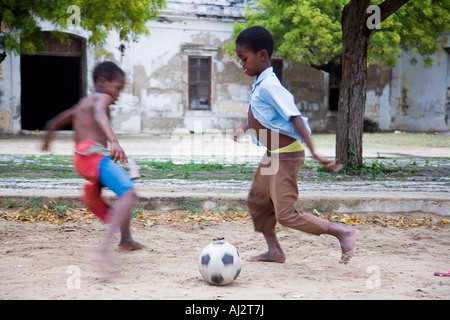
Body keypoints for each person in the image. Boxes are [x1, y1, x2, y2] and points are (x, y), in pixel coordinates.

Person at [230, 26, 357, 265]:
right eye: (239, 59)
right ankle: (274, 251)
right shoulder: (260, 82)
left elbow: (295, 117)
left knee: (286, 214)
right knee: (257, 201)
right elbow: (260, 114)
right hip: (272, 155)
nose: (241, 63)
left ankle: (343, 233)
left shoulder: (270, 86)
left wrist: (314, 152)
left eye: (244, 58)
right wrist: (244, 128)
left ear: (263, 55)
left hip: (286, 157)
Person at [42, 61, 145, 275]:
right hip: (94, 155)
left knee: (123, 191)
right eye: (118, 88)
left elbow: (55, 121)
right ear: (102, 82)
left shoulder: (82, 103)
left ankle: (126, 240)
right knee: (128, 193)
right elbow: (99, 114)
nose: (117, 95)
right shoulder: (101, 98)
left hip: (80, 157)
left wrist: (47, 140)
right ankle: (102, 253)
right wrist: (114, 141)